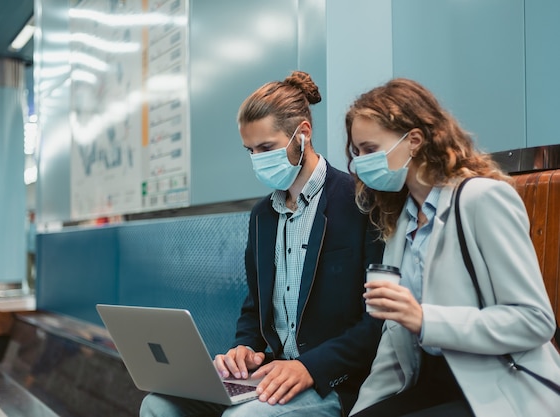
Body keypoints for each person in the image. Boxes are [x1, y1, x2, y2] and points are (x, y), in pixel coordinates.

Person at [140, 71, 384, 417]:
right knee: (158, 405)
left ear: (303, 133)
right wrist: (244, 348)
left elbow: (376, 322)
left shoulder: (360, 203)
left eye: (266, 147)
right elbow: (255, 308)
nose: (257, 158)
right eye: (250, 150)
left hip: (333, 380)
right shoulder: (262, 216)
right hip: (269, 373)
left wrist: (309, 367)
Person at [344, 78, 560, 417]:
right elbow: (394, 339)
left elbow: (534, 321)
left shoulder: (482, 199)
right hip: (433, 382)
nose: (359, 163)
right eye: (356, 152)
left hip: (499, 386)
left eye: (370, 149)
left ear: (413, 140)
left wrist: (425, 318)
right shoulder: (402, 223)